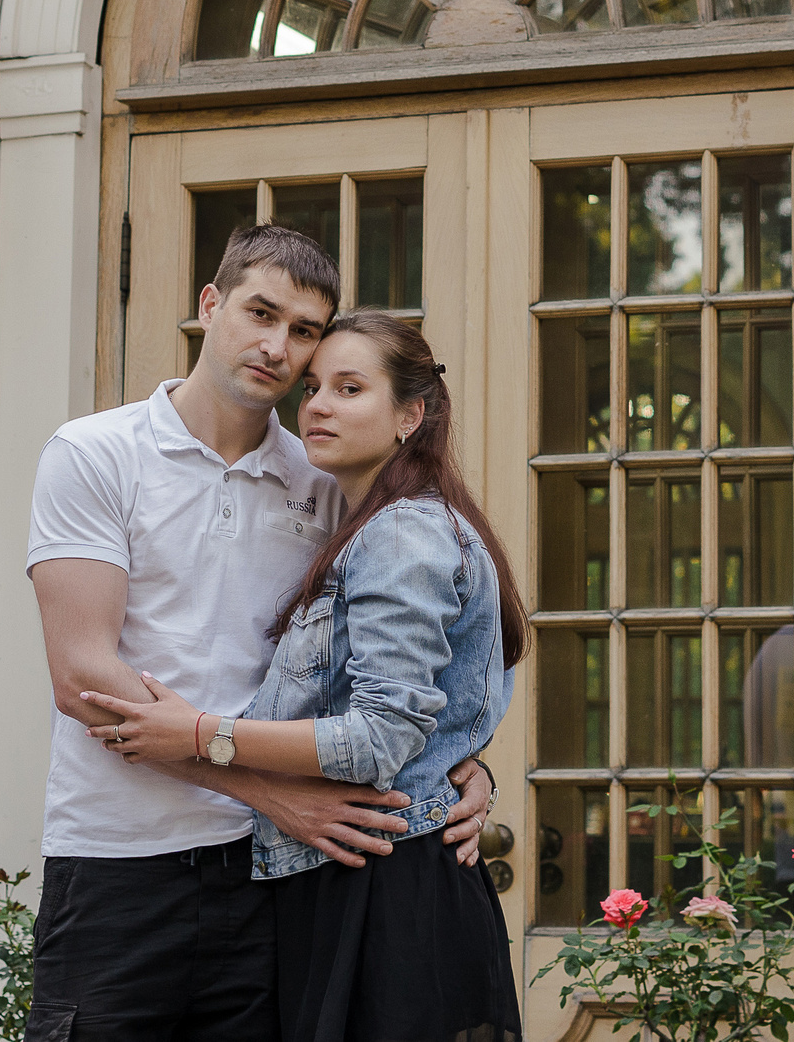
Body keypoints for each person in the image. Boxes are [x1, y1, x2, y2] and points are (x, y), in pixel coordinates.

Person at [25, 225, 496, 1042]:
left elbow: (398, 658)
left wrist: (458, 759)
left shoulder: (326, 480)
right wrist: (261, 787)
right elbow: (83, 679)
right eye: (261, 312)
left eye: (304, 331)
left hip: (274, 874)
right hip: (118, 862)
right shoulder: (96, 453)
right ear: (211, 305)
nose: (278, 347)